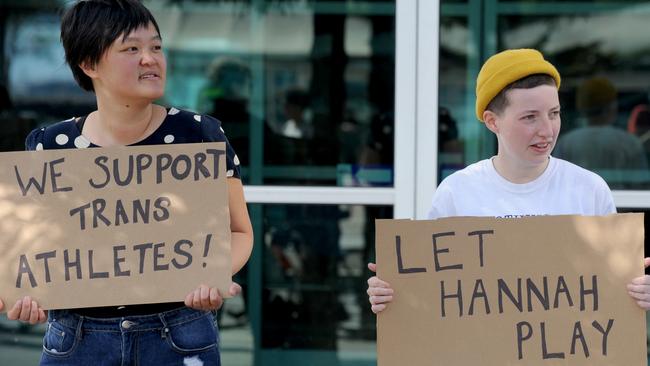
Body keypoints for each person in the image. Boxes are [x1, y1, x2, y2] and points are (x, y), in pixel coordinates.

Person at [0, 1, 253, 365]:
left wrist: (214, 273)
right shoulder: (49, 146)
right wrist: (25, 294)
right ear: (89, 64)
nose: (150, 59)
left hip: (179, 334)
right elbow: (28, 251)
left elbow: (239, 231)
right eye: (131, 49)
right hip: (76, 339)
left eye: (156, 46)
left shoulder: (199, 134)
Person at [366, 48, 650, 314]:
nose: (547, 130)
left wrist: (637, 293)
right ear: (492, 121)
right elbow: (432, 293)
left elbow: (610, 290)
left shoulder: (590, 190)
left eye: (554, 113)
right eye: (530, 117)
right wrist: (392, 295)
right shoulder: (457, 192)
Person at [554, 76, 647, 188]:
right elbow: (641, 188)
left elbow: (557, 183)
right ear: (612, 107)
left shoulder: (565, 143)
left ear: (581, 107)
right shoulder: (629, 143)